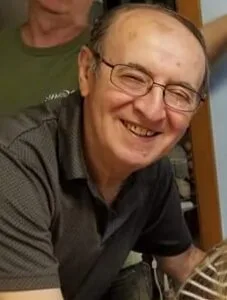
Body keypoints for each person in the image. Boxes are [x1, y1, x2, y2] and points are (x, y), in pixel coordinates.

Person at [0, 3, 209, 300]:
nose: (152, 111)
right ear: (86, 72)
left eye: (179, 93)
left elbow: (184, 263)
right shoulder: (12, 164)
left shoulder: (150, 171)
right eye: (133, 77)